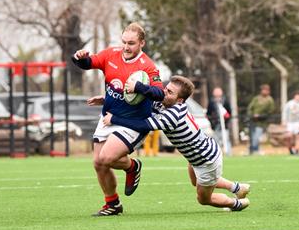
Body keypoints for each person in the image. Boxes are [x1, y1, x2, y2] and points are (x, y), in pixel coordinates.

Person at [102, 76, 250, 212]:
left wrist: (114, 119)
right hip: (197, 156)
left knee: (203, 199)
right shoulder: (165, 103)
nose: (164, 93)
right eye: (166, 89)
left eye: (170, 92)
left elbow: (143, 125)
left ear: (180, 100)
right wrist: (106, 100)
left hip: (207, 160)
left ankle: (237, 204)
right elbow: (142, 100)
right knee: (197, 181)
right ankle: (237, 188)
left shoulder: (174, 115)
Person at [72, 22, 164, 216]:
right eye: (124, 42)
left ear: (142, 43)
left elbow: (159, 93)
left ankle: (132, 166)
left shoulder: (147, 66)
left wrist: (139, 87)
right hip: (108, 117)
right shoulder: (111, 54)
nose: (126, 47)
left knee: (106, 158)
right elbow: (89, 63)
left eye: (131, 43)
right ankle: (112, 204)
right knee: (98, 163)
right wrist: (79, 58)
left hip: (133, 123)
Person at [247, 84, 275, 155]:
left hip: (261, 122)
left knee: (256, 137)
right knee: (252, 137)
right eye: (263, 90)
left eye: (266, 90)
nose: (264, 91)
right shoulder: (256, 98)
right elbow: (250, 108)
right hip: (253, 121)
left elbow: (270, 111)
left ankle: (255, 150)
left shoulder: (270, 100)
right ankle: (252, 151)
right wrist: (252, 115)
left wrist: (260, 116)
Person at [206, 87, 232, 155]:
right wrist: (212, 120)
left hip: (224, 125)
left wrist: (226, 119)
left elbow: (229, 113)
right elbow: (208, 113)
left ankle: (228, 154)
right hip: (215, 125)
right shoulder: (211, 102)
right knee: (216, 141)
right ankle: (217, 154)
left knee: (226, 140)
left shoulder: (225, 101)